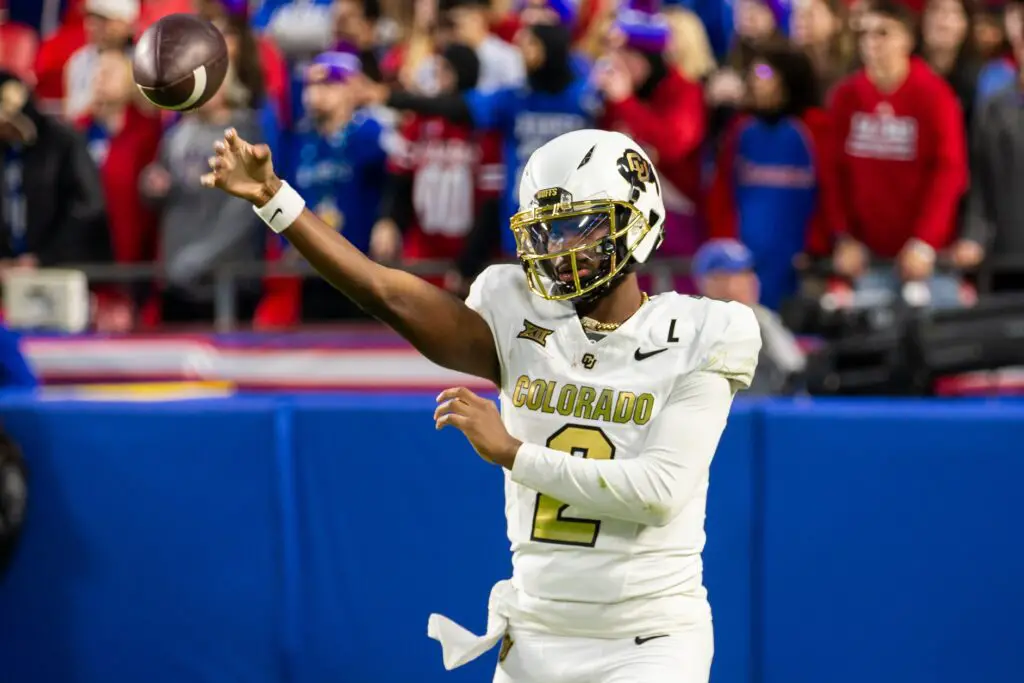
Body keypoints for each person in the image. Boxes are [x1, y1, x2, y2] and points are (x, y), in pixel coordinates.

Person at [201, 124, 760, 683]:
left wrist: (514, 452)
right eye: (546, 232)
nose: (557, 249)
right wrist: (275, 198)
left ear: (637, 220)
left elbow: (659, 493)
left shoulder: (700, 332)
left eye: (577, 228)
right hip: (536, 631)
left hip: (649, 637)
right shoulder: (517, 311)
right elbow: (384, 292)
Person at [692, 239, 805, 395]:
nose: (750, 282)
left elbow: (794, 366)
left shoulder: (762, 316)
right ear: (711, 282)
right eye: (738, 275)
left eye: (749, 273)